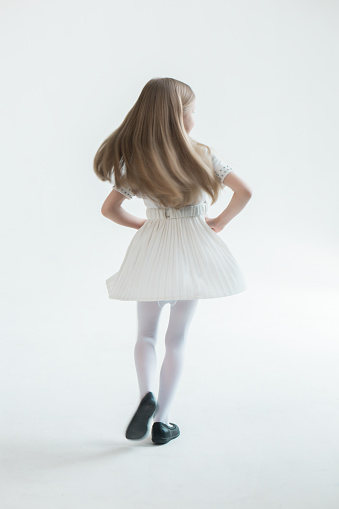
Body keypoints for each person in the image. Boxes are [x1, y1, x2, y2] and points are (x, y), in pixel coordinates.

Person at [93, 77, 252, 445]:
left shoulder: (139, 162)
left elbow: (110, 209)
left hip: (152, 250)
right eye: (192, 110)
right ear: (180, 115)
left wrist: (144, 224)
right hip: (193, 251)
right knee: (176, 339)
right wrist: (219, 222)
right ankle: (163, 421)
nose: (195, 116)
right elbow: (245, 191)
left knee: (146, 334)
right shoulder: (203, 154)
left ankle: (145, 396)